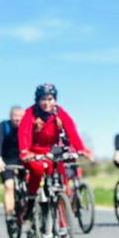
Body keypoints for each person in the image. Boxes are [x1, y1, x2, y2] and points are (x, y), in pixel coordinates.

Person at [19, 84, 92, 218]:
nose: (47, 103)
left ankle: (62, 219)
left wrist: (81, 149)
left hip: (52, 152)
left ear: (55, 100)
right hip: (34, 153)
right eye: (43, 99)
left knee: (62, 182)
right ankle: (30, 201)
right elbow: (24, 133)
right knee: (38, 170)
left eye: (50, 99)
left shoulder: (59, 112)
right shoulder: (30, 112)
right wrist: (25, 151)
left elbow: (71, 130)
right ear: (37, 100)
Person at [0, 106, 25, 221]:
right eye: (15, 116)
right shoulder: (4, 126)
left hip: (22, 159)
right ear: (10, 117)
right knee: (9, 185)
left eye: (20, 116)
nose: (18, 119)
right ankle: (10, 213)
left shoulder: (26, 126)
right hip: (6, 161)